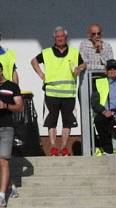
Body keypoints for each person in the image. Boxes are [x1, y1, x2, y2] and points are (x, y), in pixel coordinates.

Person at [31, 26, 85, 156]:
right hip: (52, 93)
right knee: (51, 122)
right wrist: (41, 75)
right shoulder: (47, 52)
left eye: (62, 36)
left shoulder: (73, 52)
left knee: (68, 123)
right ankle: (54, 146)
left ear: (66, 38)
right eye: (58, 37)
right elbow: (33, 61)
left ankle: (64, 147)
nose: (60, 39)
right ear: (54, 38)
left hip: (69, 94)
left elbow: (83, 64)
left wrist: (80, 68)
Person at [90, 59, 116, 155]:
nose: (112, 70)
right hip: (107, 112)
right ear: (105, 71)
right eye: (109, 69)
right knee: (99, 120)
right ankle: (108, 151)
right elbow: (94, 102)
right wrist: (104, 111)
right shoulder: (99, 82)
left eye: (114, 68)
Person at [0, 63, 22, 208]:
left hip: (6, 128)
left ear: (1, 70)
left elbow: (20, 106)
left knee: (3, 161)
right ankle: (12, 184)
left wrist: (6, 106)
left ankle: (1, 196)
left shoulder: (12, 86)